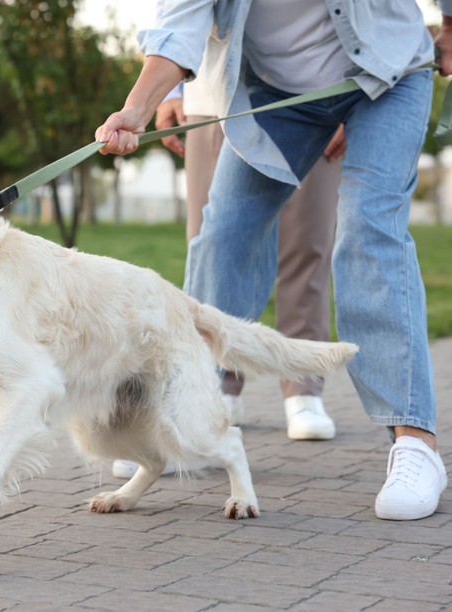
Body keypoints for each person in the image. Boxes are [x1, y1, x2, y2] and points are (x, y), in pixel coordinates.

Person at [97, 0, 449, 520]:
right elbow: (178, 28)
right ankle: (183, 418)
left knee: (367, 229)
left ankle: (415, 441)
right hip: (277, 95)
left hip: (388, 74)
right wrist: (135, 109)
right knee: (223, 236)